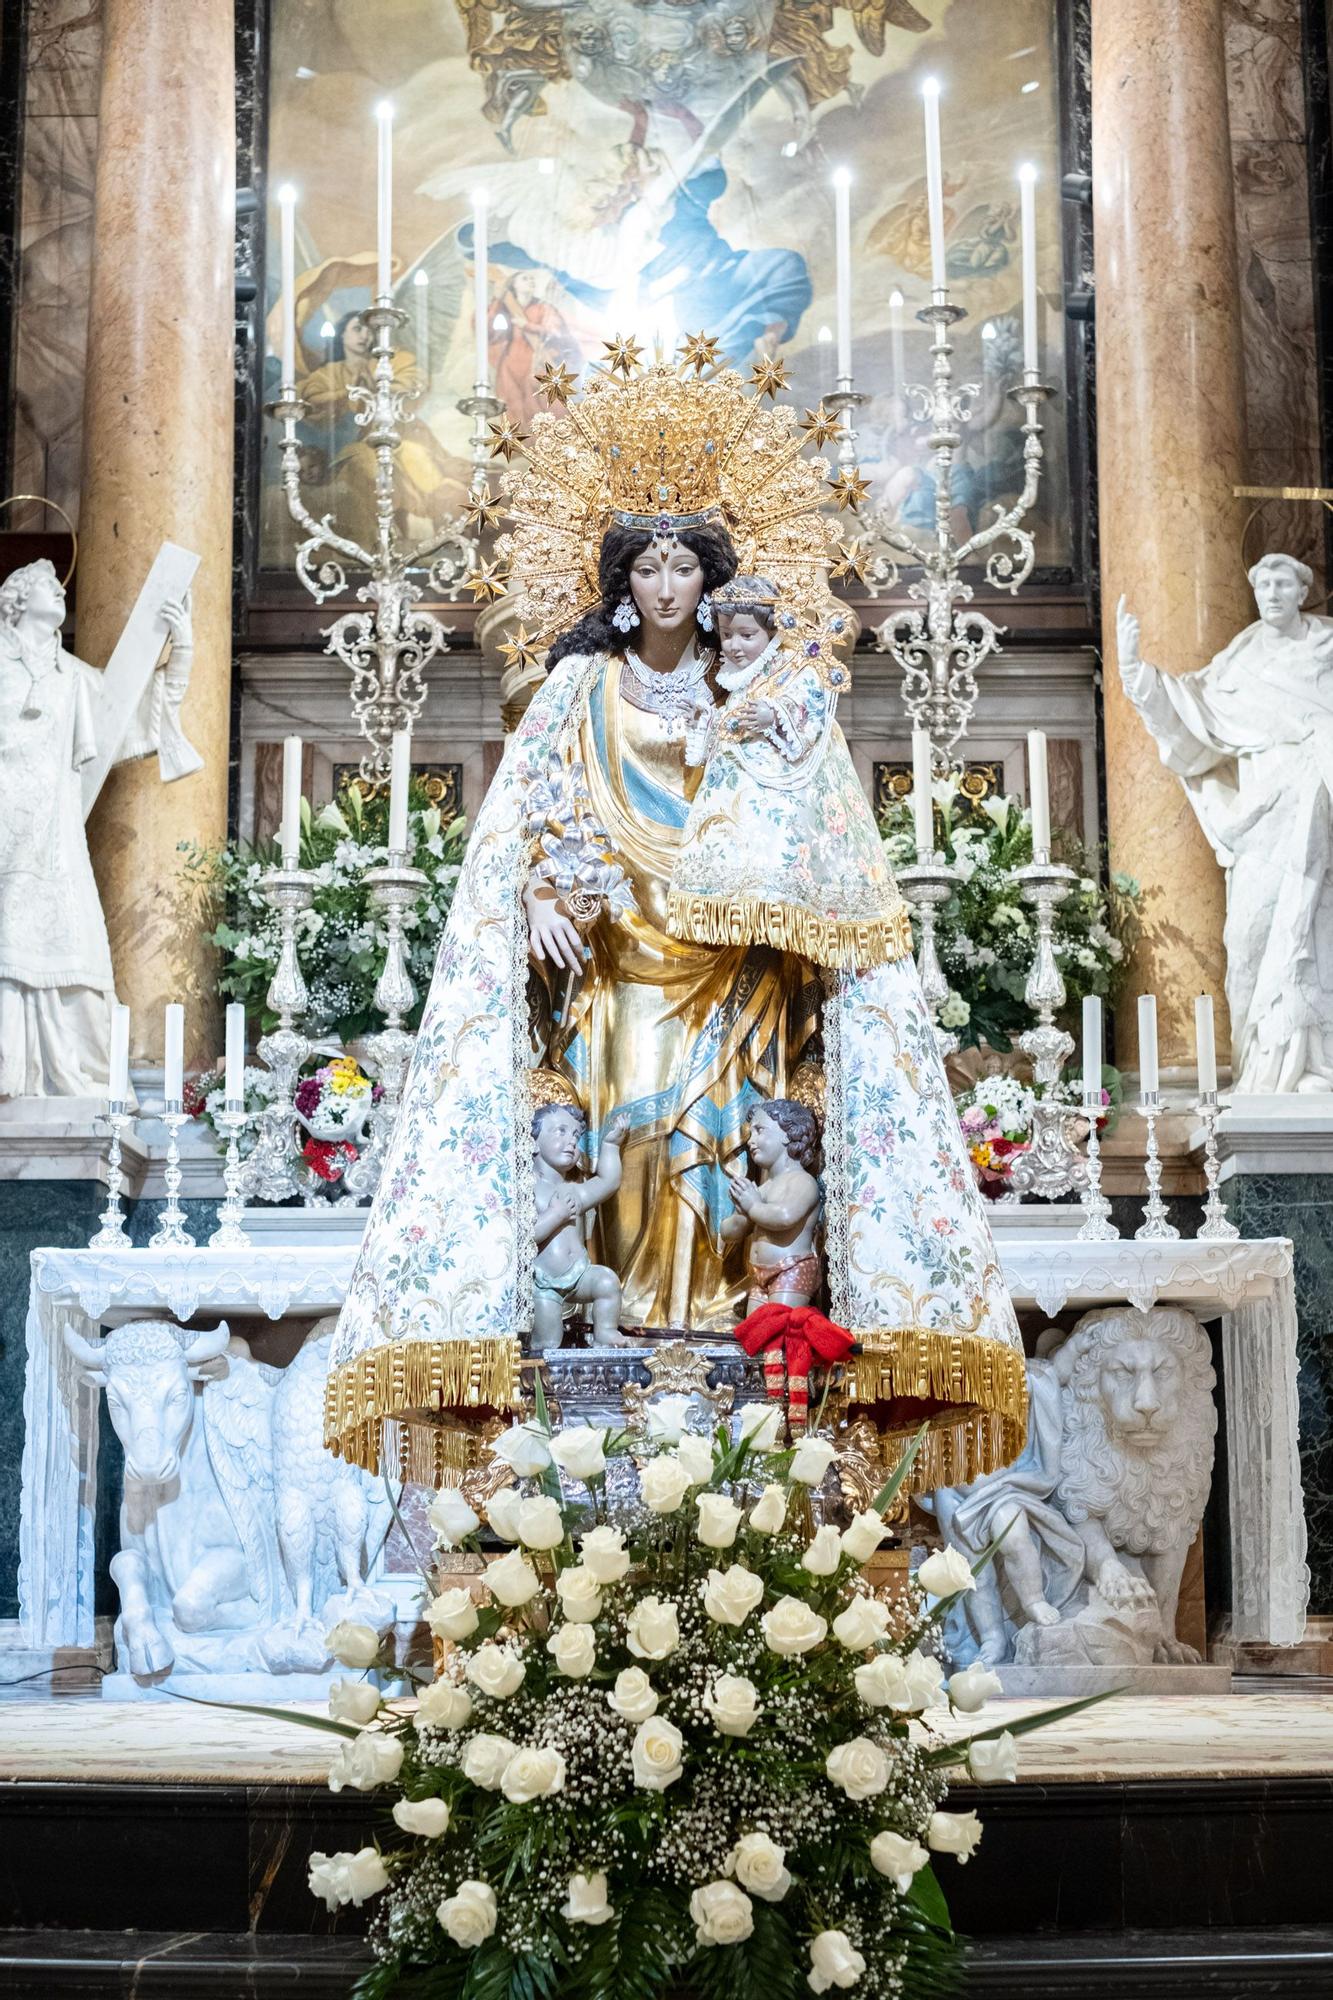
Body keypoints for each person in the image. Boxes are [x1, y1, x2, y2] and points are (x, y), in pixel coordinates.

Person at [330, 359, 1025, 1491]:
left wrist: (801, 911)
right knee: (623, 1153)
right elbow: (524, 824)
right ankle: (609, 1345)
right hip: (611, 971)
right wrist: (544, 896)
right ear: (618, 576)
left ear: (713, 577)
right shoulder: (574, 692)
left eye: (683, 563)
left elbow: (816, 824)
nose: (663, 583)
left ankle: (724, 1336)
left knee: (724, 1161)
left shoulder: (764, 689)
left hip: (738, 967)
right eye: (645, 562)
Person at [1117, 554, 1333, 1093]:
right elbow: (1192, 715)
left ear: (1303, 591)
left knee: (1316, 931)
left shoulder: (1328, 649)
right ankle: (1264, 1066)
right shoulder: (1241, 660)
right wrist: (1136, 673)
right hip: (1260, 818)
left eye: (1284, 583)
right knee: (1248, 936)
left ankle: (1314, 1062)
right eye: (1263, 585)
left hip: (1319, 815)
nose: (1273, 594)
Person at [0, 560, 194, 1097]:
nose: (59, 593)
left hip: (53, 834)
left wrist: (183, 650)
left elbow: (135, 714)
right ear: (15, 598)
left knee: (70, 936)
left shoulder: (72, 677)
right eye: (45, 584)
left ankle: (60, 1074)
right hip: (4, 826)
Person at [668, 575, 902, 968]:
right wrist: (706, 721)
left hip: (781, 799)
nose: (734, 646)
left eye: (746, 635)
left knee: (776, 872)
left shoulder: (795, 666)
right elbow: (727, 734)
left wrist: (774, 714)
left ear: (772, 631)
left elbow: (811, 705)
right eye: (726, 635)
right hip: (736, 807)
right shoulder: (737, 679)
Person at [531, 1101, 630, 1348]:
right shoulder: (527, 1189)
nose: (572, 1140)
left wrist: (610, 1145)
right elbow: (525, 1236)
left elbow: (608, 1181)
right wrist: (556, 1214)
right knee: (548, 1340)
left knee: (607, 1282)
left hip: (579, 1273)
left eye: (576, 1135)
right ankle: (537, 1374)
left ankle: (605, 1331)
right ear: (533, 1141)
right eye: (561, 1131)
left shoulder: (573, 1191)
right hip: (543, 1283)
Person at [721, 1099, 822, 1311]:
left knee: (778, 1328)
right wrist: (743, 1211)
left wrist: (752, 1207)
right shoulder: (763, 1189)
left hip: (791, 1269)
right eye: (750, 1134)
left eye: (759, 1131)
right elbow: (729, 1232)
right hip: (759, 1275)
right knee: (756, 1333)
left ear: (788, 1134)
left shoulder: (802, 1182)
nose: (751, 1141)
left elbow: (784, 1217)